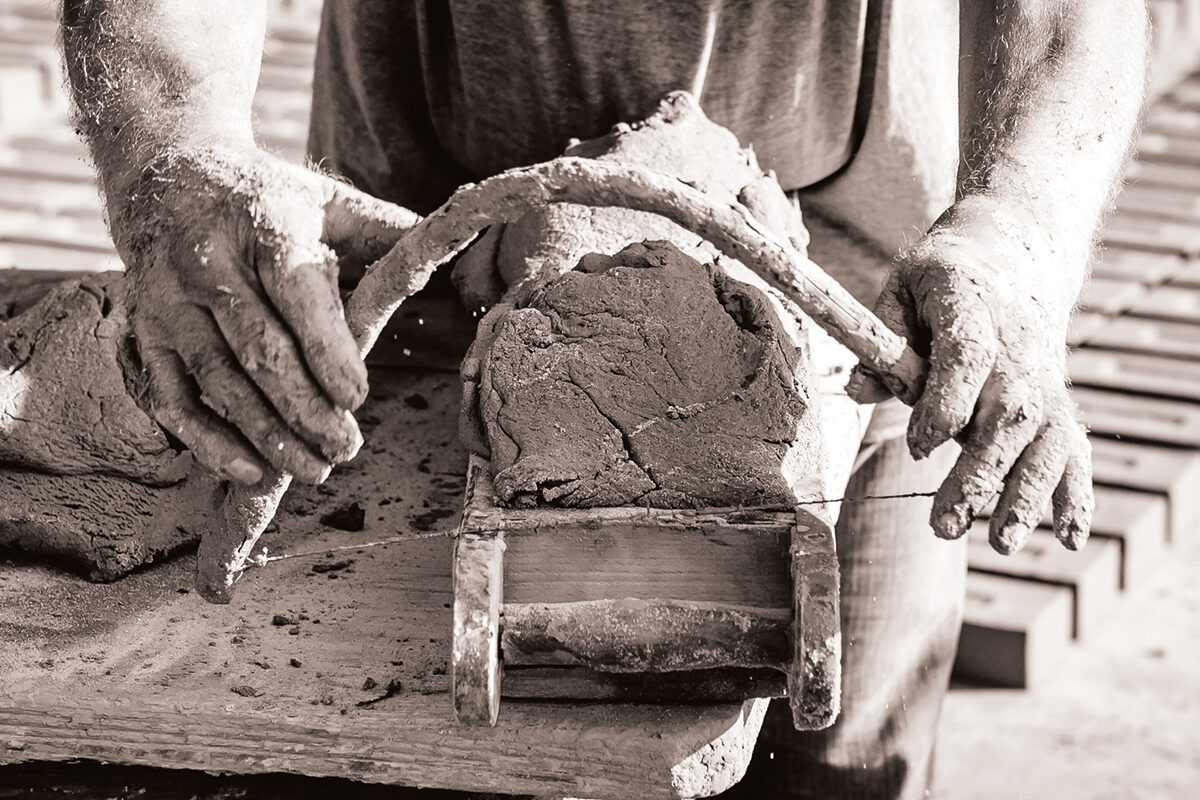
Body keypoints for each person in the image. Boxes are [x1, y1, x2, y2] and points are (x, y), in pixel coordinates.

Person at [60, 2, 1149, 797]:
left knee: (843, 767)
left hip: (867, 328)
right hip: (410, 294)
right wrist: (175, 146)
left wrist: (1017, 234)